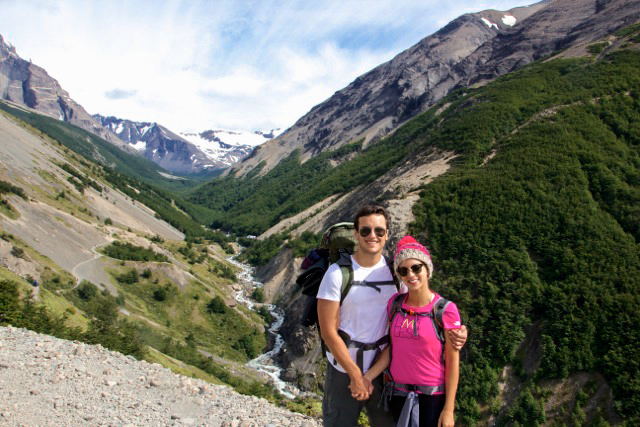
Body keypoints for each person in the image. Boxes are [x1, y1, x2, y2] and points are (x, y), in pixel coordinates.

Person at [317, 205, 467, 427]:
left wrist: (456, 330)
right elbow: (328, 332)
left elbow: (418, 308)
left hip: (383, 370)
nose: (372, 236)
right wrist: (356, 376)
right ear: (356, 234)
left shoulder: (396, 272)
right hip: (344, 368)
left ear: (387, 234)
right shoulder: (337, 274)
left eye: (379, 231)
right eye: (365, 231)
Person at [365, 235, 460, 427]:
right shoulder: (395, 304)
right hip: (396, 393)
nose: (411, 274)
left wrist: (448, 409)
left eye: (416, 268)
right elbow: (393, 349)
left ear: (427, 269)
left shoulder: (445, 310)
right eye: (403, 270)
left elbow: (452, 362)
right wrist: (368, 377)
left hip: (431, 397)